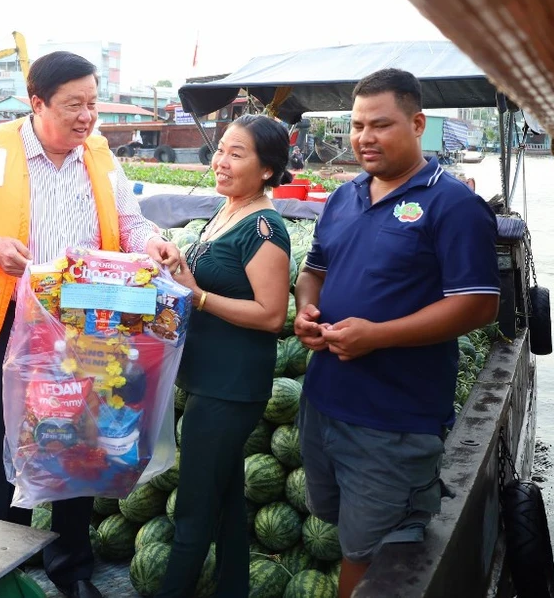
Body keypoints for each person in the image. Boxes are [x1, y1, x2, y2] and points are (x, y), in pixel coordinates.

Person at [0, 51, 181, 598]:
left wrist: (152, 241)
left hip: (92, 322)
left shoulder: (100, 157)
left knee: (80, 441)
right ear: (37, 104)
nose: (87, 117)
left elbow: (128, 222)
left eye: (92, 104)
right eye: (73, 105)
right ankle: (4, 569)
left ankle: (71, 567)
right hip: (16, 325)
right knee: (13, 443)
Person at [293, 68, 500, 598]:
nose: (364, 137)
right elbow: (313, 271)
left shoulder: (453, 204)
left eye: (380, 125)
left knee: (371, 556)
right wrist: (305, 309)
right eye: (357, 125)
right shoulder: (343, 197)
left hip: (393, 421)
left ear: (417, 124)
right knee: (343, 528)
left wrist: (378, 335)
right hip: (324, 404)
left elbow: (478, 304)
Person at [158, 115, 293, 598]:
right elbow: (205, 282)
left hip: (230, 388)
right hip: (208, 381)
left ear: (267, 169)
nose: (221, 161)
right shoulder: (227, 212)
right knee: (226, 500)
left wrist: (197, 296)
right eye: (221, 150)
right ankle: (233, 588)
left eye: (237, 154)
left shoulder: (265, 228)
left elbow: (272, 315)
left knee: (193, 510)